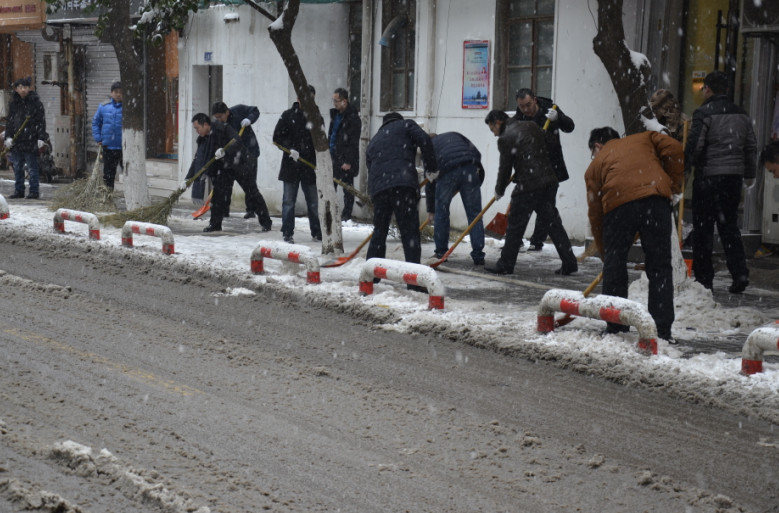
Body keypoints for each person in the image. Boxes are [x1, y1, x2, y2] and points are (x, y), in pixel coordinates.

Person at [585, 127, 684, 343]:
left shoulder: (596, 165)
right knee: (659, 266)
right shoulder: (644, 138)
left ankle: (616, 326)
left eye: (593, 152)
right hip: (656, 200)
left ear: (597, 146)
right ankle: (661, 332)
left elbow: (596, 214)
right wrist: (674, 185)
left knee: (615, 266)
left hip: (618, 204)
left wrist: (606, 254)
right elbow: (675, 147)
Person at [685, 70, 757, 293]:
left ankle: (704, 280)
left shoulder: (703, 113)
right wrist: (748, 174)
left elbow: (695, 146)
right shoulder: (742, 114)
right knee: (729, 227)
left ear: (707, 89)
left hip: (708, 179)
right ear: (726, 90)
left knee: (703, 230)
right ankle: (740, 273)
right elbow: (751, 147)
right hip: (733, 180)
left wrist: (686, 166)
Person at [483, 110, 577, 276]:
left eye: (492, 130)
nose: (494, 134)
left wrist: (499, 190)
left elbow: (505, 169)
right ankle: (569, 262)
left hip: (529, 185)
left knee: (515, 225)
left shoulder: (505, 138)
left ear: (497, 123)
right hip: (548, 181)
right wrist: (534, 156)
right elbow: (552, 142)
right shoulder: (531, 125)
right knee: (553, 224)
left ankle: (505, 264)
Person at [366, 112, 437, 275]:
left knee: (379, 232)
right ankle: (413, 278)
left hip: (379, 190)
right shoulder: (406, 125)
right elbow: (425, 140)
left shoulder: (374, 141)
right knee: (410, 232)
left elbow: (371, 168)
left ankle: (370, 277)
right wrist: (431, 169)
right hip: (403, 185)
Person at [184, 113, 271, 233]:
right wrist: (188, 179)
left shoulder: (223, 128)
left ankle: (266, 222)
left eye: (197, 128)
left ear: (205, 125)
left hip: (239, 165)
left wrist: (225, 150)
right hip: (222, 170)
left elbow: (237, 141)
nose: (196, 131)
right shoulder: (203, 140)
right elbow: (197, 159)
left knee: (252, 193)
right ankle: (215, 224)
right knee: (217, 197)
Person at [514, 88, 574, 251]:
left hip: (550, 167)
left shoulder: (550, 109)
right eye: (521, 106)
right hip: (529, 169)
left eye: (528, 105)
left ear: (535, 100)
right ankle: (515, 240)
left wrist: (559, 118)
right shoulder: (518, 118)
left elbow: (570, 127)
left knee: (546, 206)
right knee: (521, 205)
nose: (525, 109)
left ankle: (537, 241)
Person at [424, 132, 486, 265]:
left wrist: (432, 209)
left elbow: (430, 179)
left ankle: (441, 253)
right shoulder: (455, 135)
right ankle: (478, 255)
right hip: (470, 167)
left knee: (441, 212)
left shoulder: (428, 146)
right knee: (475, 214)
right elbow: (477, 154)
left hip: (447, 170)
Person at [273, 85, 321, 244]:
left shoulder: (315, 116)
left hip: (309, 166)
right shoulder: (287, 116)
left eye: (312, 99)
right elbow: (277, 137)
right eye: (306, 98)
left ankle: (317, 232)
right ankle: (287, 232)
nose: (309, 102)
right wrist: (290, 149)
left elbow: (321, 139)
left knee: (313, 202)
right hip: (291, 165)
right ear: (298, 98)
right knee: (288, 201)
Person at [212, 101, 268, 220]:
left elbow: (255, 110)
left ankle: (251, 209)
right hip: (231, 154)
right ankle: (224, 211)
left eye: (221, 117)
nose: (219, 120)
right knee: (226, 183)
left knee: (250, 182)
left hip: (249, 151)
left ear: (227, 112)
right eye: (216, 118)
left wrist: (249, 119)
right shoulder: (218, 124)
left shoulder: (239, 110)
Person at [5, 77, 47, 199]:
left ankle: (34, 191)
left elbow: (41, 122)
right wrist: (8, 137)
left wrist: (41, 137)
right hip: (17, 140)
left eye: (25, 87)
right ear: (16, 89)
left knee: (32, 168)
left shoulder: (36, 104)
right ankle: (19, 190)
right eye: (20, 87)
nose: (23, 90)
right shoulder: (14, 104)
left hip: (31, 140)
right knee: (17, 167)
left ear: (29, 88)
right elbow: (10, 123)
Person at [328, 88, 361, 222]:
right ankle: (330, 211)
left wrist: (348, 161)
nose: (334, 103)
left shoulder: (353, 118)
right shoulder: (335, 115)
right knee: (331, 187)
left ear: (344, 101)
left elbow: (353, 142)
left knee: (347, 188)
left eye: (336, 101)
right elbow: (331, 134)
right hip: (333, 155)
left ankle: (347, 214)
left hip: (345, 158)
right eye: (333, 100)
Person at [91, 81, 123, 189]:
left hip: (124, 147)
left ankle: (130, 195)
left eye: (121, 92)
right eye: (116, 92)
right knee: (108, 174)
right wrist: (98, 138)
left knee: (128, 173)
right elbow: (96, 123)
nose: (118, 94)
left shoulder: (128, 108)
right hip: (109, 146)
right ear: (111, 93)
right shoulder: (103, 107)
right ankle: (108, 194)